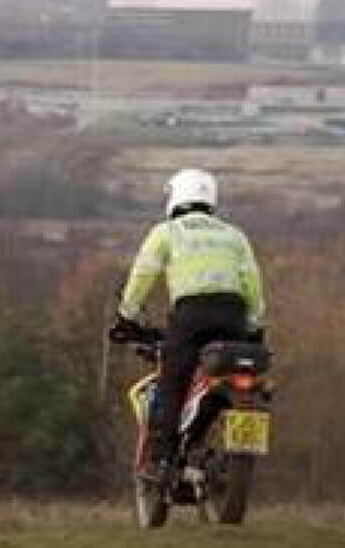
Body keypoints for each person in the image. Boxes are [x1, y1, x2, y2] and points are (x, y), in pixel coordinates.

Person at [109, 168, 265, 481]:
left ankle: (162, 461)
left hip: (192, 315)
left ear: (176, 197)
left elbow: (143, 276)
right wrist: (254, 325)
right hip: (234, 316)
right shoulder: (234, 235)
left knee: (173, 381)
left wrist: (127, 314)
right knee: (221, 374)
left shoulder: (167, 232)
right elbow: (253, 286)